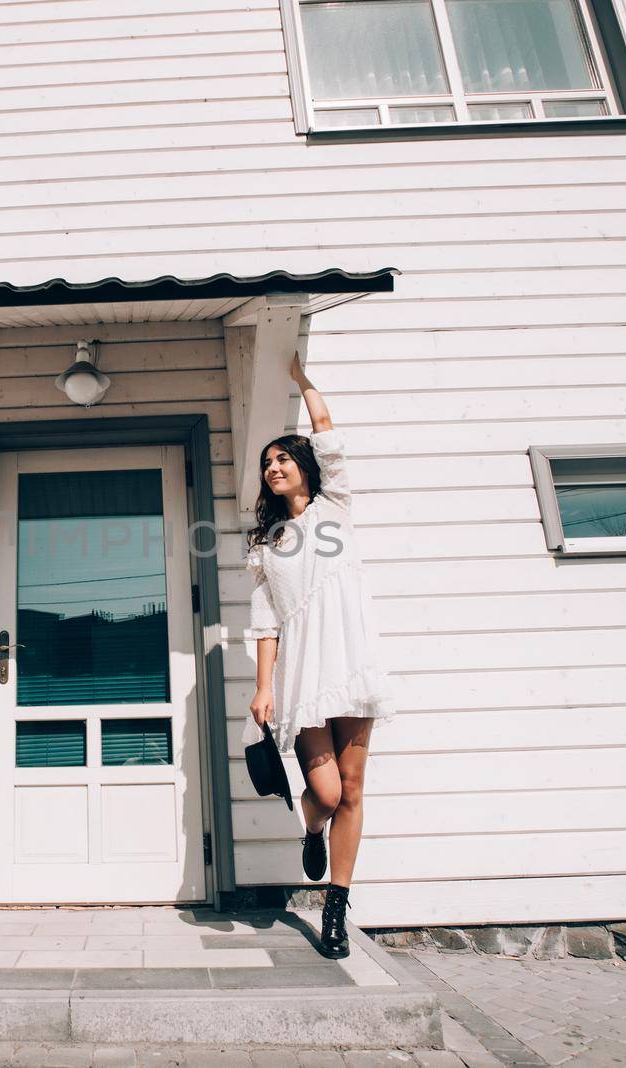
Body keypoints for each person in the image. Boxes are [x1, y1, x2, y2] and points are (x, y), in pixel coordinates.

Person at [244, 352, 397, 958]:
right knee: (327, 794)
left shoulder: (337, 509)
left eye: (282, 458)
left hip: (352, 662)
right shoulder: (268, 542)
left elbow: (327, 430)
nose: (274, 467)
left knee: (355, 791)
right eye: (267, 464)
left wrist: (302, 380)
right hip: (305, 671)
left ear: (304, 466)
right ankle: (311, 829)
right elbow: (265, 620)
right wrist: (263, 687)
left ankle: (335, 909)